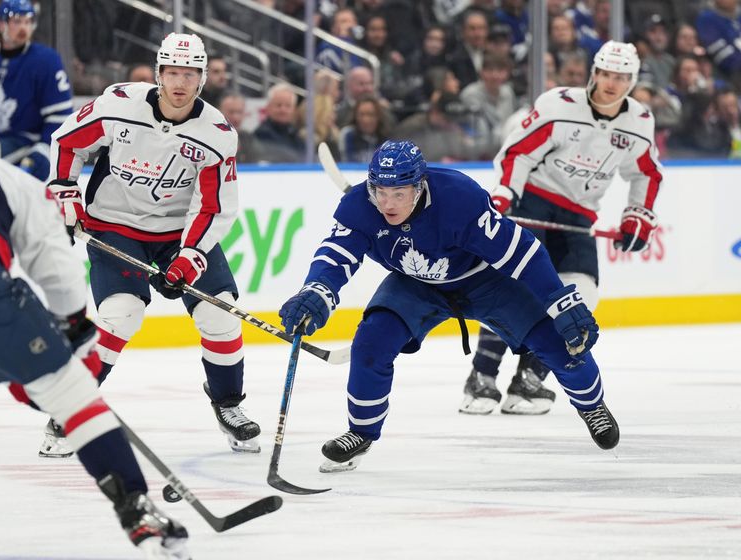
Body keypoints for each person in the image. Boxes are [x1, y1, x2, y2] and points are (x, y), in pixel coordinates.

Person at [278, 139, 619, 474]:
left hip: (485, 281)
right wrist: (318, 291)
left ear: (419, 186)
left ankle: (592, 407)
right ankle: (361, 432)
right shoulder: (359, 207)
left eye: (398, 194)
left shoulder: (459, 198)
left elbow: (522, 252)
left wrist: (558, 299)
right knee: (371, 342)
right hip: (415, 285)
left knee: (560, 343)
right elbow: (335, 256)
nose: (387, 204)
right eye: (380, 192)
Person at [0, 108, 189, 557]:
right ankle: (137, 511)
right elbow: (52, 262)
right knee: (71, 392)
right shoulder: (4, 174)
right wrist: (73, 329)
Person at [45, 32, 261, 456]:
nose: (180, 82)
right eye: (172, 72)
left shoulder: (217, 133)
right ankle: (70, 412)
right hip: (115, 226)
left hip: (177, 233)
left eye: (190, 74)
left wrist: (190, 256)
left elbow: (214, 205)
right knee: (119, 316)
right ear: (158, 73)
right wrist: (66, 193)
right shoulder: (118, 104)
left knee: (220, 314)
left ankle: (229, 406)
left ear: (202, 79)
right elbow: (68, 143)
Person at [460, 41, 663, 416]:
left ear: (631, 80)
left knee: (581, 297)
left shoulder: (639, 121)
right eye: (605, 74)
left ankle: (530, 379)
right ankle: (482, 376)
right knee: (513, 290)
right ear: (594, 73)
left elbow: (646, 173)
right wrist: (505, 193)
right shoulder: (558, 104)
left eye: (620, 77)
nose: (611, 83)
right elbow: (518, 152)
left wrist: (638, 214)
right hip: (532, 203)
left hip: (579, 217)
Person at [0, 0, 73, 181]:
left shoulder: (46, 61)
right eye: (17, 21)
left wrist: (45, 149)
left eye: (28, 22)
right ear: (1, 24)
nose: (24, 28)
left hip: (24, 141)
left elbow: (60, 116)